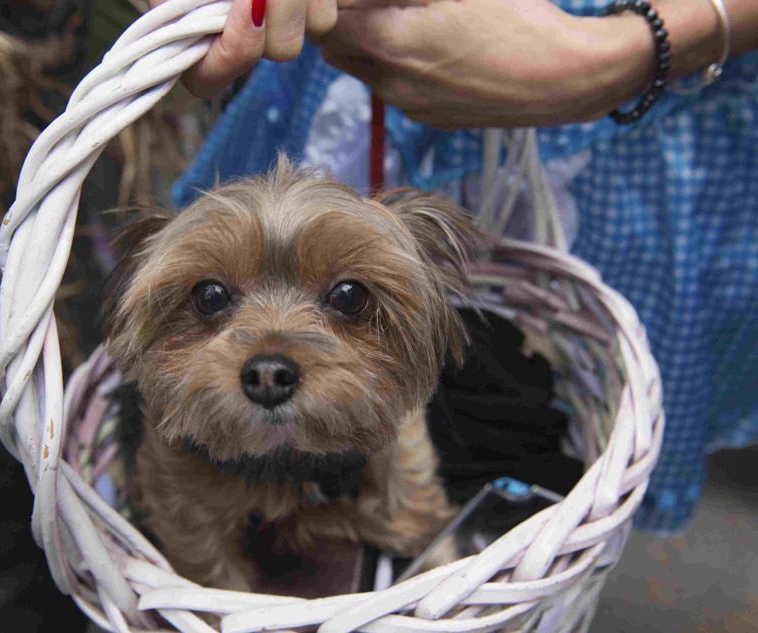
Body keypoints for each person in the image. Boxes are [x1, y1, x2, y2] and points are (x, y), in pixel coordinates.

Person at [149, 0, 758, 533]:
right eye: (211, 299)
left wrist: (637, 45)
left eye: (347, 298)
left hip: (651, 97)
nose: (270, 363)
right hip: (342, 51)